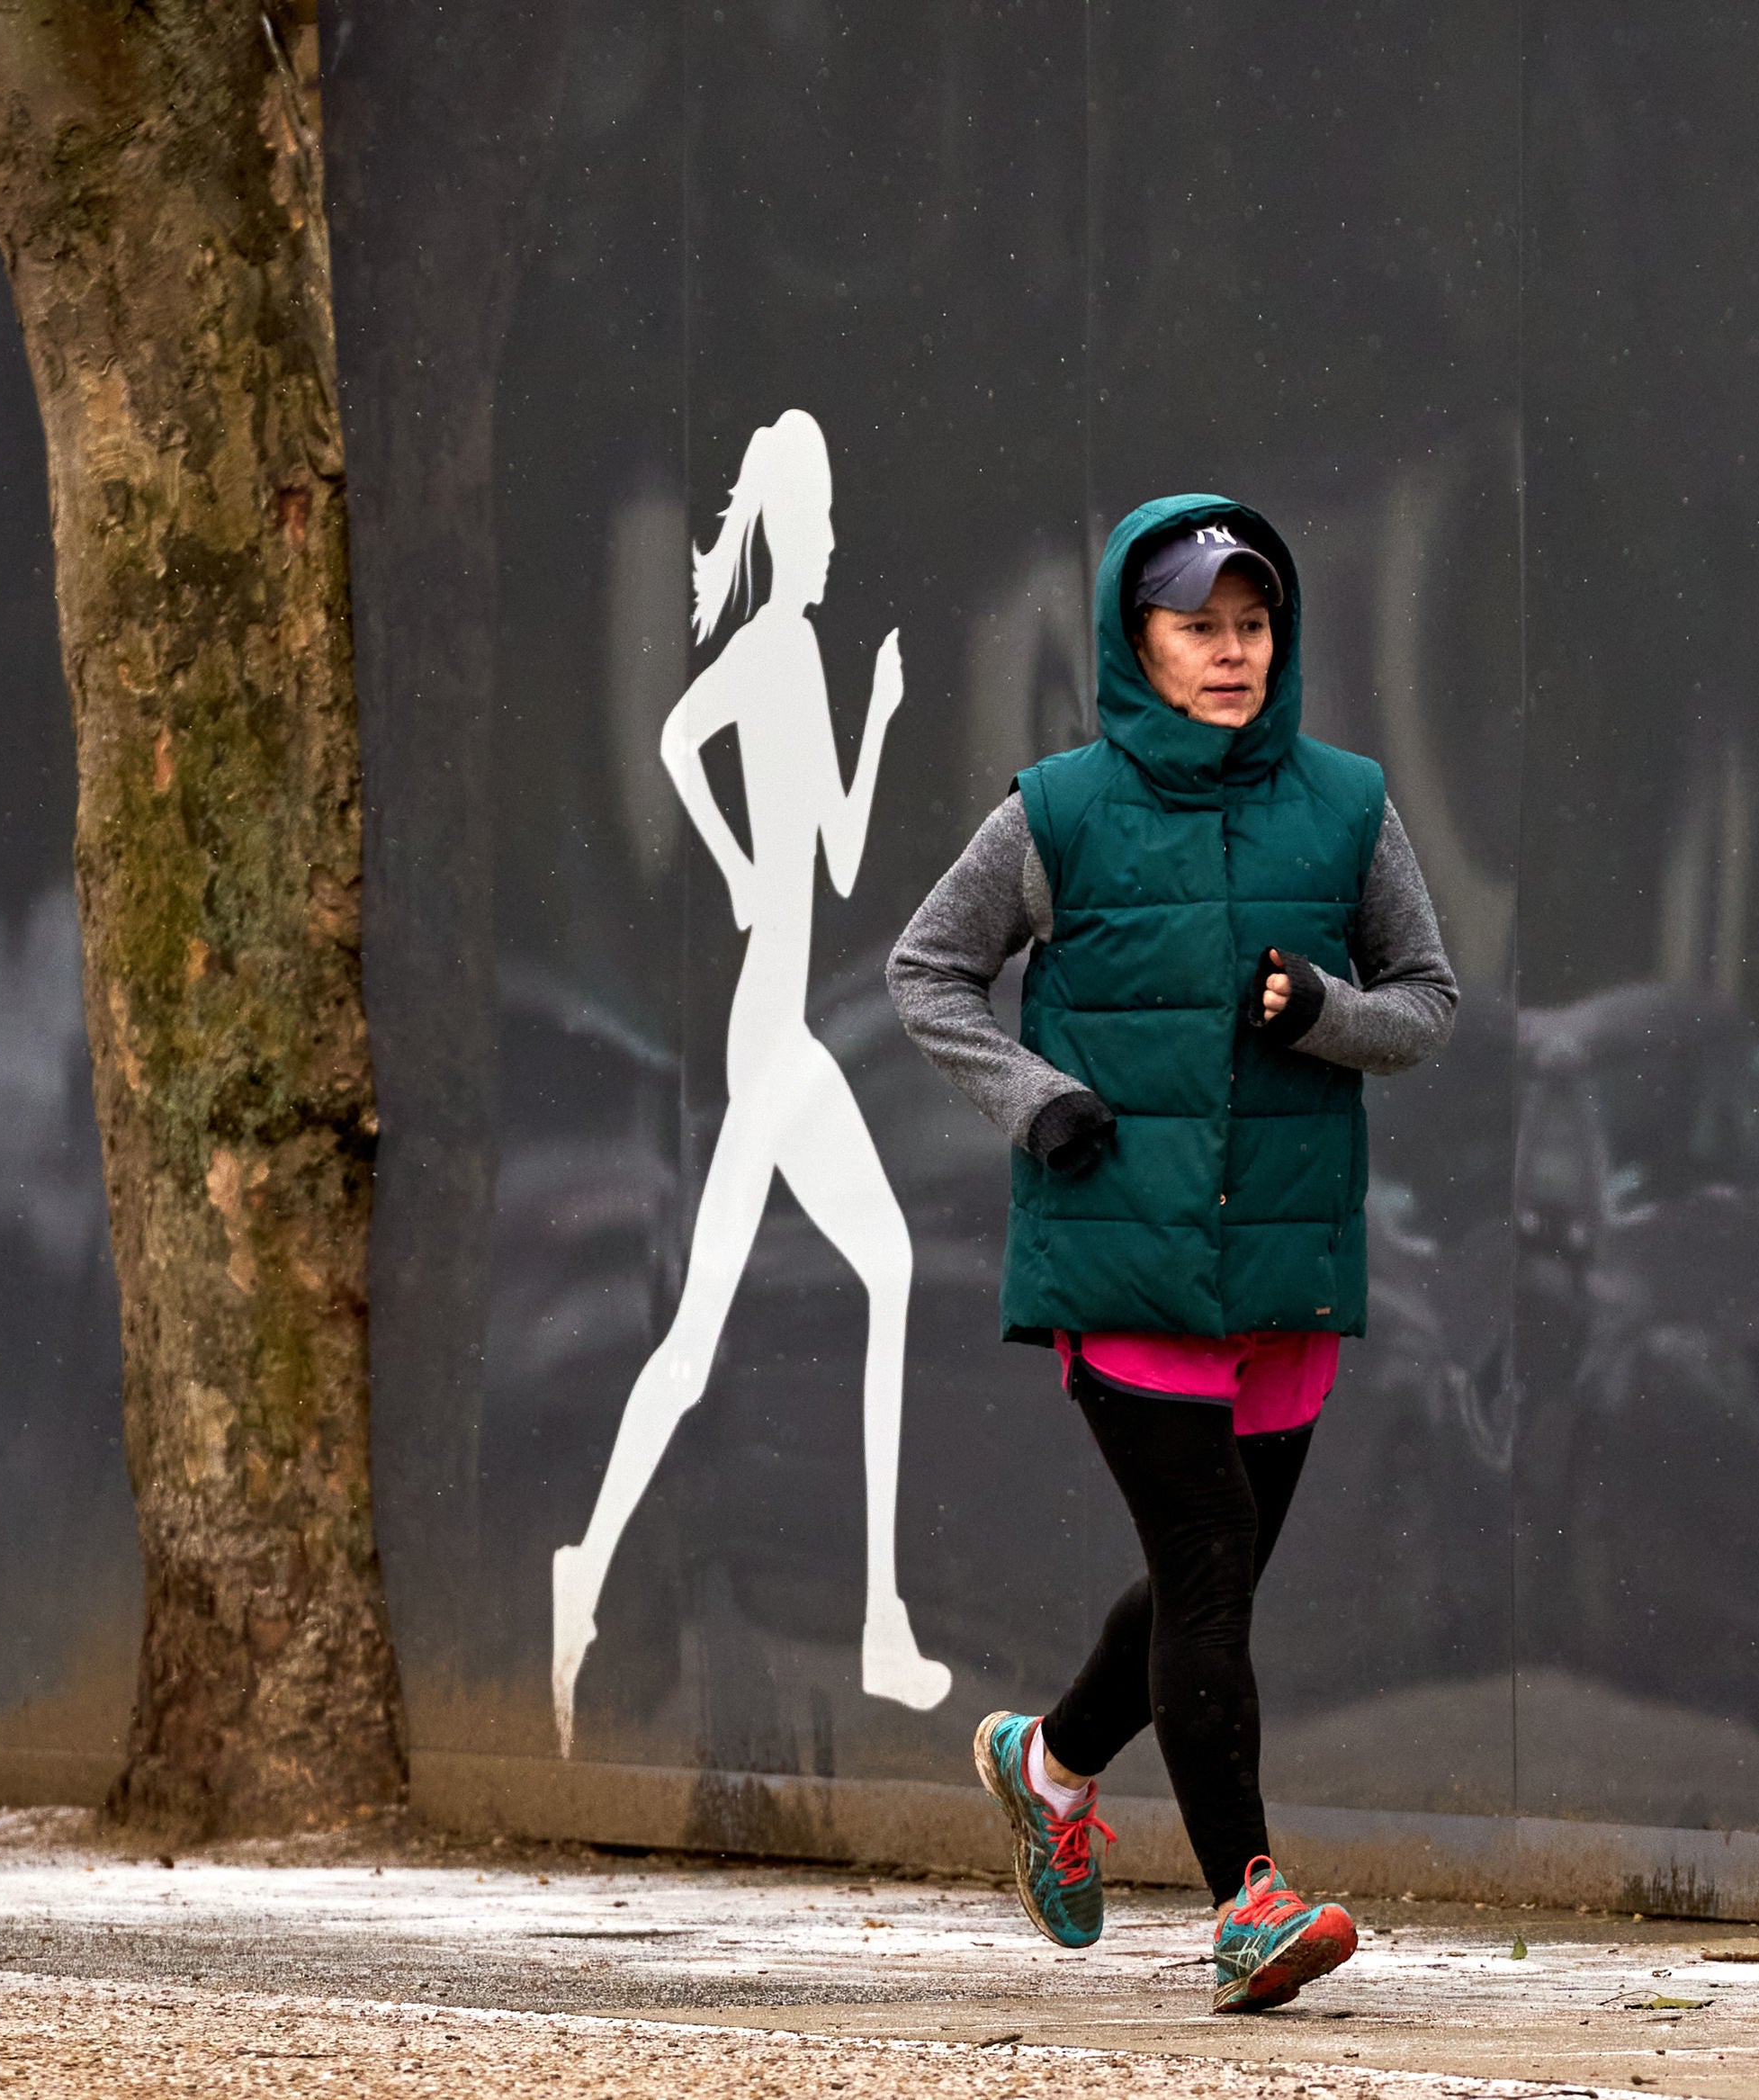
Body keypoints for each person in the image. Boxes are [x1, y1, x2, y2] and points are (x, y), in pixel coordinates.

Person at [890, 496, 1456, 2014]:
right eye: (1198, 624)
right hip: (1122, 1265)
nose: (1229, 651)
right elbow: (927, 970)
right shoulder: (1058, 812)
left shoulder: (1346, 806)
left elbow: (1430, 998)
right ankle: (1248, 1900)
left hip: (1285, 1277)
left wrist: (1325, 1009)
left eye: (1250, 624)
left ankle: (1051, 1763)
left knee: (1208, 1580)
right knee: (1208, 1575)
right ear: (1135, 641)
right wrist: (1036, 1097)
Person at [550, 408, 951, 1761]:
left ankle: (588, 1566)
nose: (834, 540)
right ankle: (879, 1616)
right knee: (874, 1274)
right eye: (823, 518)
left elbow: (837, 859)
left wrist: (884, 720)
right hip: (766, 1027)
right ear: (792, 527)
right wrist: (723, 858)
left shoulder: (817, 667)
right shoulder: (774, 653)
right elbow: (673, 736)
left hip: (776, 1027)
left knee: (712, 1334)